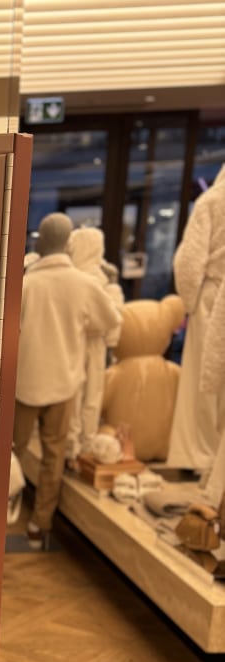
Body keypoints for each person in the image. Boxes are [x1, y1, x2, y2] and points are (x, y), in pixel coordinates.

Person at [14, 213, 122, 549]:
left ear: (41, 241)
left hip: (25, 383)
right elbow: (110, 319)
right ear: (67, 243)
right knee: (53, 458)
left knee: (9, 453)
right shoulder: (83, 284)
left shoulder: (26, 284)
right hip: (64, 383)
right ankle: (39, 526)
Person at [167, 166, 225, 476]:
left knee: (203, 381)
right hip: (214, 292)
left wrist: (188, 302)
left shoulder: (212, 201)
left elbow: (189, 262)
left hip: (213, 297)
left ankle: (199, 458)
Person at [67, 227, 125, 463]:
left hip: (75, 341)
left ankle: (71, 447)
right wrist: (110, 343)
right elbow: (115, 318)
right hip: (95, 344)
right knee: (92, 396)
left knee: (74, 395)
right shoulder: (105, 281)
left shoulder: (73, 278)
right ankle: (85, 447)